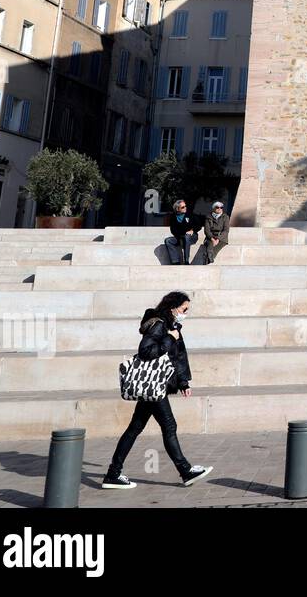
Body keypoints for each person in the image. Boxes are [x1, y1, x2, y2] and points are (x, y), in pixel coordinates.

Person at [102, 291, 213, 490]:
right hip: (154, 385)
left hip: (155, 384)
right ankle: (185, 470)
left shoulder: (172, 325)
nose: (185, 313)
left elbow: (177, 357)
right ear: (173, 307)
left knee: (135, 428)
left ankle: (113, 473)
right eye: (184, 309)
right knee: (169, 426)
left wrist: (183, 382)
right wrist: (169, 338)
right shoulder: (160, 324)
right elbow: (146, 351)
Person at [164, 199, 198, 266]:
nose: (185, 208)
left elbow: (198, 225)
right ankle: (175, 261)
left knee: (187, 236)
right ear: (177, 209)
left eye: (185, 206)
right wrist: (182, 234)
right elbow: (173, 230)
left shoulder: (190, 214)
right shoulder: (173, 217)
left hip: (191, 237)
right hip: (180, 237)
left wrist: (192, 230)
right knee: (168, 240)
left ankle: (186, 261)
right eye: (183, 207)